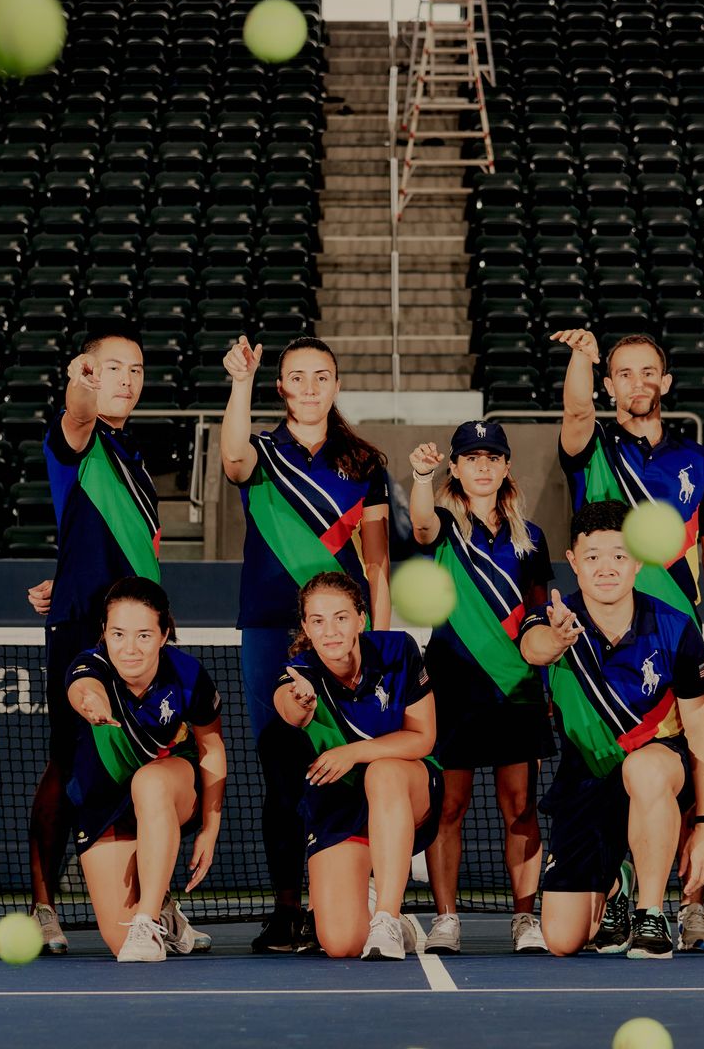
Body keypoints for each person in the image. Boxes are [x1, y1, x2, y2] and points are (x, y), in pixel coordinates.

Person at [555, 327, 704, 951]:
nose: (637, 383)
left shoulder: (698, 464)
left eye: (647, 371)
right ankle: (620, 888)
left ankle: (685, 907)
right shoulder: (589, 449)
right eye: (623, 373)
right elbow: (575, 411)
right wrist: (581, 357)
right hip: (603, 646)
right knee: (615, 771)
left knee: (669, 771)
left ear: (666, 381)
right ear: (610, 385)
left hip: (673, 638)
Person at [23, 331, 199, 954]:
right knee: (71, 764)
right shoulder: (77, 437)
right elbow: (76, 412)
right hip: (83, 634)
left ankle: (159, 900)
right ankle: (45, 903)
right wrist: (81, 384)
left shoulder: (134, 453)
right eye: (111, 369)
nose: (124, 379)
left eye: (135, 370)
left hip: (140, 637)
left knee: (147, 757)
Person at [220, 335, 390, 952]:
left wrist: (380, 640)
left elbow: (377, 566)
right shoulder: (261, 452)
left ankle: (339, 900)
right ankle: (288, 907)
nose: (311, 386)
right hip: (270, 627)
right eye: (298, 376)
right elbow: (233, 462)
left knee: (343, 767)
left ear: (336, 386)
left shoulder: (365, 463)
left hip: (344, 634)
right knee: (280, 768)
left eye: (322, 376)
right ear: (282, 386)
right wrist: (239, 382)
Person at [519, 500, 704, 960]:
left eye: (617, 555)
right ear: (572, 561)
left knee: (644, 768)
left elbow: (703, 735)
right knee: (563, 940)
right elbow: (534, 649)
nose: (605, 568)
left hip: (658, 769)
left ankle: (651, 914)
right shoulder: (552, 616)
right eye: (591, 557)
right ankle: (618, 887)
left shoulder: (675, 628)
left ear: (636, 560)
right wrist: (559, 639)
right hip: (586, 778)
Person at [407, 421, 552, 954]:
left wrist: (549, 681)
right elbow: (420, 528)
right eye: (471, 457)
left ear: (507, 466)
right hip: (454, 686)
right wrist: (420, 478)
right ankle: (446, 918)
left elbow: (539, 611)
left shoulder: (530, 535)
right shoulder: (444, 525)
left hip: (516, 688)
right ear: (456, 467)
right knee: (450, 806)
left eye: (493, 457)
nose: (483, 465)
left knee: (521, 806)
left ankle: (524, 917)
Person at [273, 572, 442, 960]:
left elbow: (422, 739)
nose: (329, 630)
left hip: (406, 788)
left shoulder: (399, 650)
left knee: (383, 771)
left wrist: (352, 753)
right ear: (305, 627)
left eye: (341, 617)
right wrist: (301, 702)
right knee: (341, 943)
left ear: (361, 619)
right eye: (317, 621)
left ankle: (386, 916)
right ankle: (374, 900)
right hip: (342, 805)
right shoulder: (299, 673)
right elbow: (290, 706)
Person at [65, 577, 226, 962]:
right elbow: (83, 689)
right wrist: (91, 703)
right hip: (104, 800)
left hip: (172, 788)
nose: (130, 648)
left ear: (164, 633)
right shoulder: (90, 665)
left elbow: (211, 748)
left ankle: (148, 917)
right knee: (119, 943)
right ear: (104, 632)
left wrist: (210, 827)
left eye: (143, 635)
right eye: (118, 634)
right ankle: (165, 917)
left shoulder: (187, 675)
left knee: (149, 781)